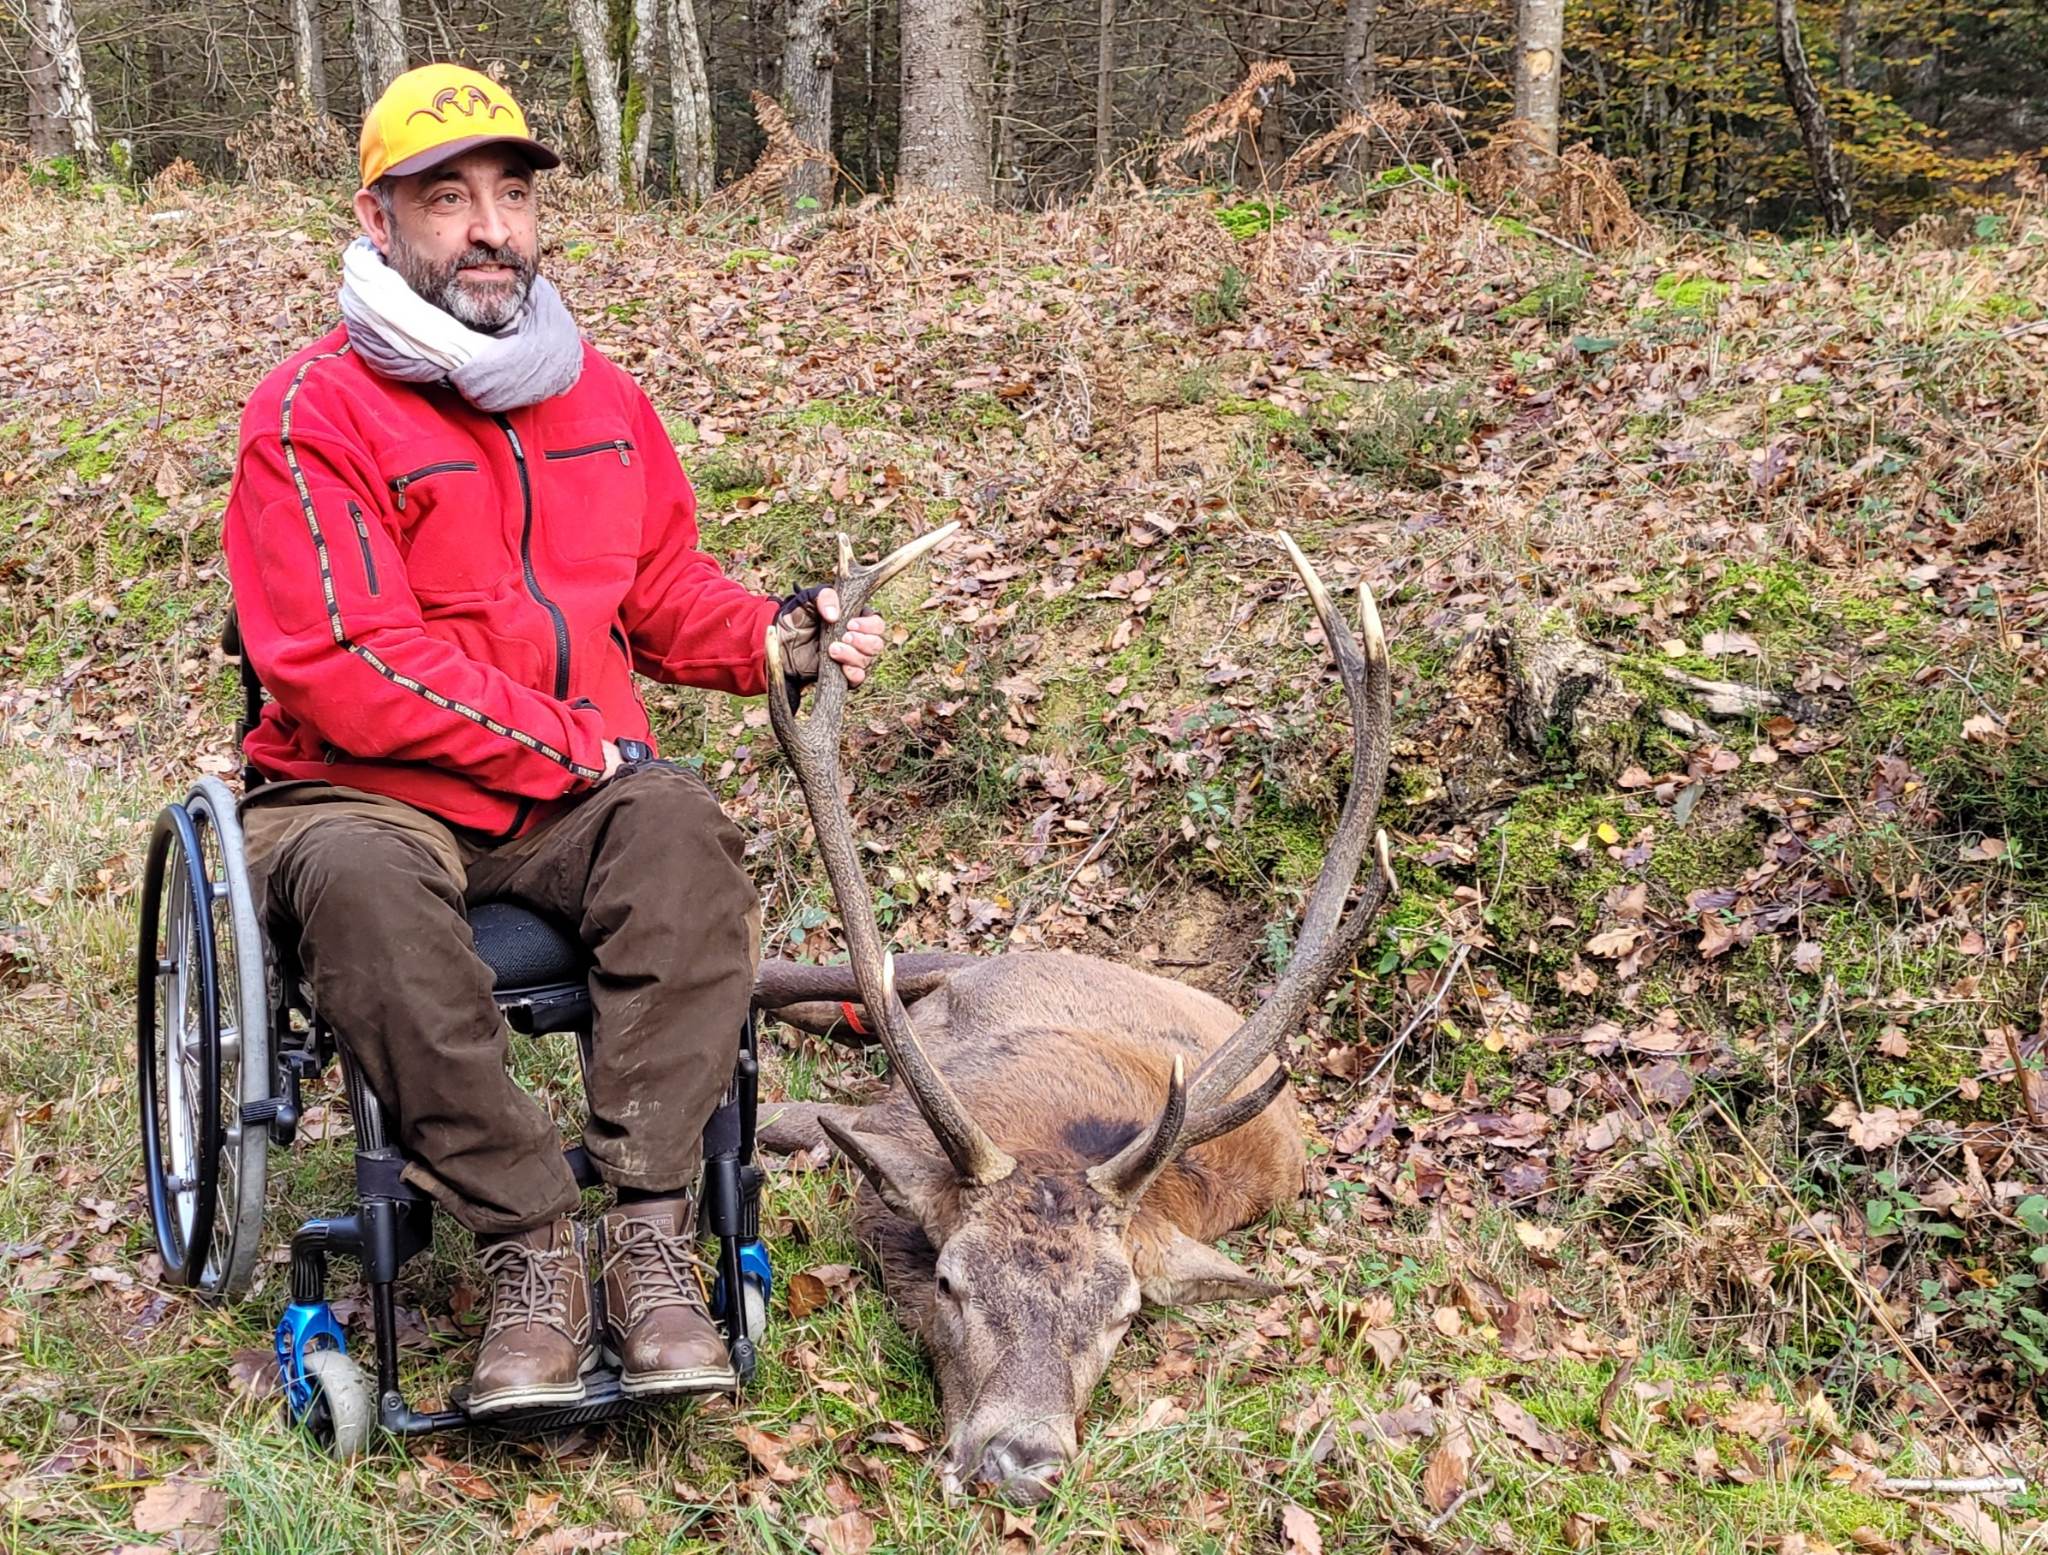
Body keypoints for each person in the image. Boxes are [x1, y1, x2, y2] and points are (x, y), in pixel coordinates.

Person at [222, 62, 886, 1414]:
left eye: (513, 196)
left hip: (563, 788)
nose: (491, 227)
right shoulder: (311, 412)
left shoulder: (600, 401)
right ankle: (531, 1245)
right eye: (449, 197)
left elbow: (655, 594)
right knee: (363, 891)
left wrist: (770, 631)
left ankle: (645, 1238)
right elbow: (350, 663)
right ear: (380, 219)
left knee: (684, 832)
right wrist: (575, 750)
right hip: (358, 792)